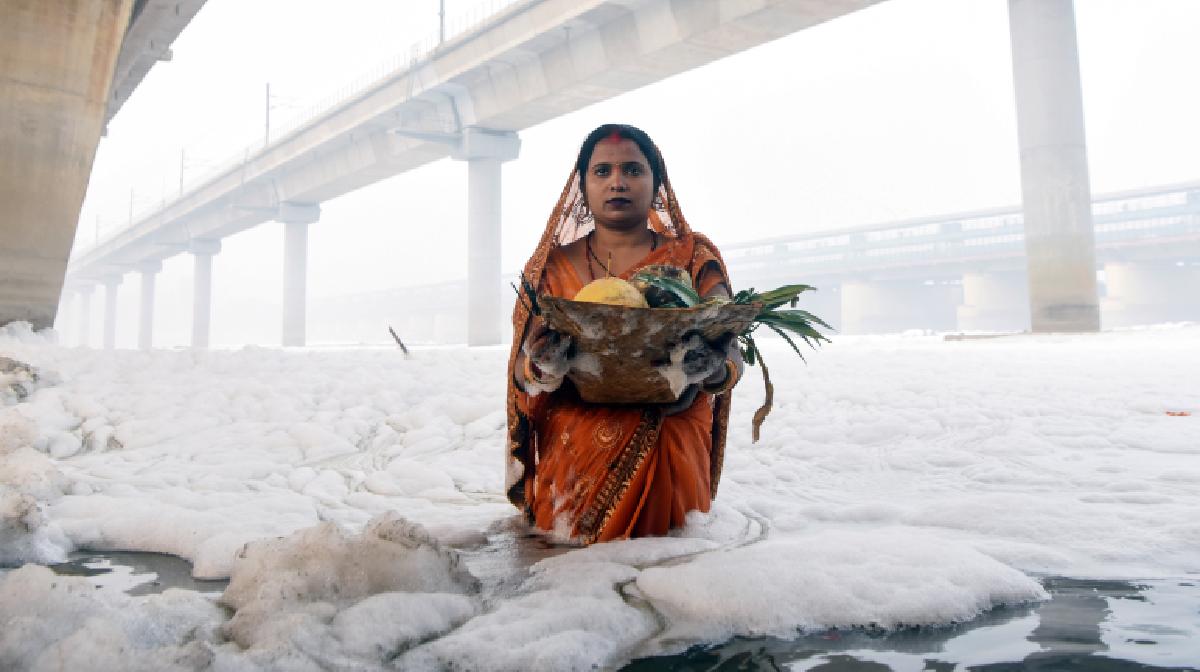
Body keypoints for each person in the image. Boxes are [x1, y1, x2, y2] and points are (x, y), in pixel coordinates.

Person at [505, 124, 743, 545]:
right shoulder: (549, 268)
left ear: (656, 184)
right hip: (577, 440)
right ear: (582, 187)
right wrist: (544, 365)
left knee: (675, 579)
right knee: (572, 583)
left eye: (633, 169)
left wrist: (708, 367)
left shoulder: (692, 257)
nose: (617, 181)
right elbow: (523, 377)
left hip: (671, 429)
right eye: (602, 172)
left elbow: (729, 356)